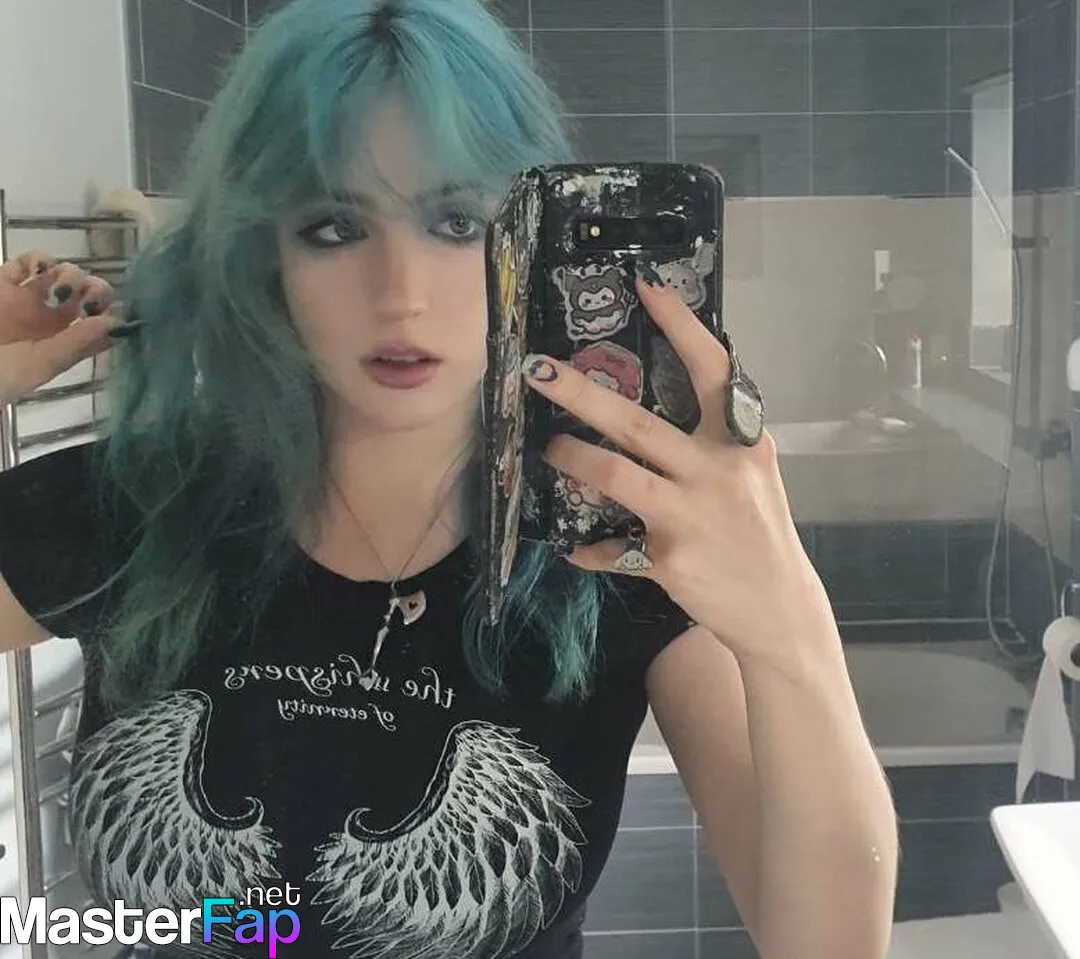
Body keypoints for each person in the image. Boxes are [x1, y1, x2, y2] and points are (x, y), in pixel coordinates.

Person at [0, 1, 898, 957]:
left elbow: (830, 945)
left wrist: (790, 627)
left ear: (530, 242)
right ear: (265, 256)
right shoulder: (139, 505)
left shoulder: (611, 544)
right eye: (334, 227)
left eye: (458, 221)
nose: (401, 293)